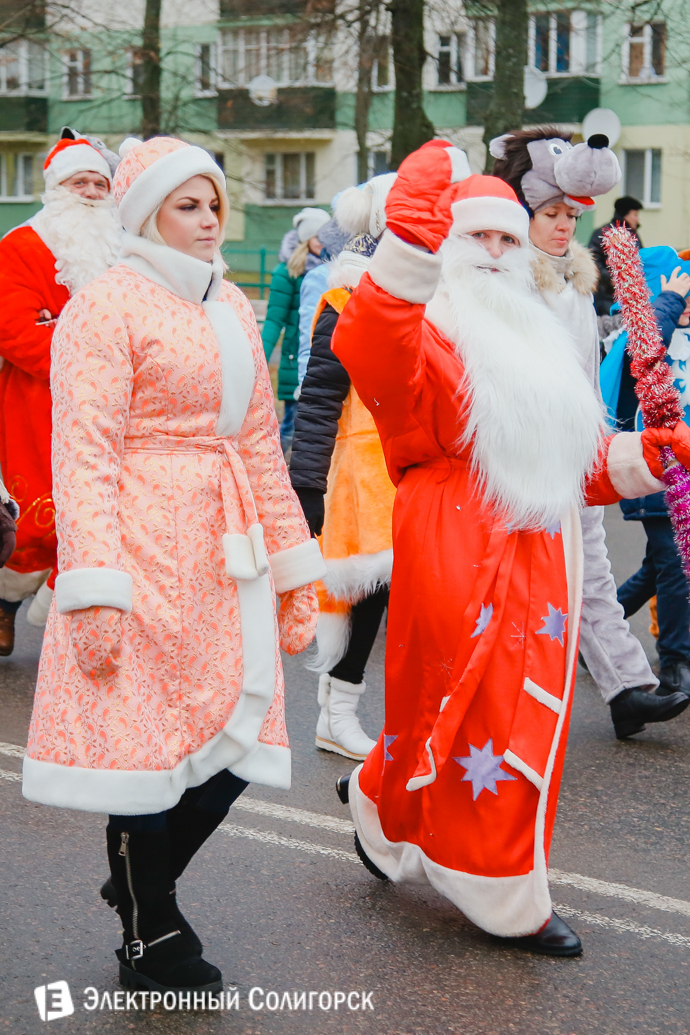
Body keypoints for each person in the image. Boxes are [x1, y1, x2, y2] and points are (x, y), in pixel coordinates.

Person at [330, 142, 690, 956]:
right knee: (475, 711)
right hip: (456, 538)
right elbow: (371, 347)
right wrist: (410, 248)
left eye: (504, 239)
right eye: (475, 238)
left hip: (544, 550)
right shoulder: (427, 323)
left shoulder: (534, 331)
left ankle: (385, 808)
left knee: (514, 713)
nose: (493, 254)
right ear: (448, 247)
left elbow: (571, 459)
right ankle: (501, 889)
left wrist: (644, 452)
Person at [21, 135, 325, 994]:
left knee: (236, 729)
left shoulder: (229, 302)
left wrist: (296, 567)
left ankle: (137, 880)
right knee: (146, 749)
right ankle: (149, 932)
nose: (207, 220)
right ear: (145, 209)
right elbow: (82, 453)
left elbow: (260, 446)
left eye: (214, 205)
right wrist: (95, 588)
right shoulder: (103, 306)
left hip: (223, 555)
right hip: (139, 546)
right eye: (187, 204)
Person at [491, 128, 688, 740]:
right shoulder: (505, 279)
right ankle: (486, 714)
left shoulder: (574, 277)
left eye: (571, 215)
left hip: (580, 447)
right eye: (550, 213)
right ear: (521, 210)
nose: (562, 225)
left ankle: (629, 687)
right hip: (526, 456)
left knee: (593, 567)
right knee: (527, 586)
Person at [290, 171, 401, 760]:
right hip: (366, 471)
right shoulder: (346, 296)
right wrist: (305, 484)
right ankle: (336, 714)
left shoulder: (431, 292)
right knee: (366, 597)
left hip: (416, 465)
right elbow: (319, 397)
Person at [0, 131, 121, 654]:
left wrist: (63, 326)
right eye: (80, 182)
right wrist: (86, 350)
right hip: (38, 403)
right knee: (34, 520)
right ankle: (3, 606)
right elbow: (15, 330)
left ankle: (69, 623)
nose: (92, 192)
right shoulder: (21, 245)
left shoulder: (122, 247)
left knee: (97, 515)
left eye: (100, 182)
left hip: (113, 404)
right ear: (56, 187)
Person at [600, 246, 690, 699]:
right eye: (679, 288)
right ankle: (677, 662)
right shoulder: (641, 336)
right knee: (675, 562)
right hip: (655, 469)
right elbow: (644, 346)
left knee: (663, 566)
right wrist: (668, 302)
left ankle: (598, 634)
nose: (686, 298)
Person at [296, 180, 396, 386]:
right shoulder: (322, 277)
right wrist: (307, 393)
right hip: (338, 395)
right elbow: (312, 343)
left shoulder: (398, 279)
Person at [262, 207, 329, 452]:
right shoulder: (287, 273)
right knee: (292, 425)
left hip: (325, 357)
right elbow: (274, 320)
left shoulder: (334, 271)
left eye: (326, 236)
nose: (323, 242)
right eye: (317, 237)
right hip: (295, 358)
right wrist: (259, 360)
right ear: (305, 239)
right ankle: (272, 470)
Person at [589, 196, 643, 317]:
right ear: (625, 215)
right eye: (635, 215)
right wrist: (610, 279)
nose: (637, 219)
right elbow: (593, 261)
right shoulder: (602, 234)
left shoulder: (633, 236)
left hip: (630, 297)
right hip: (607, 297)